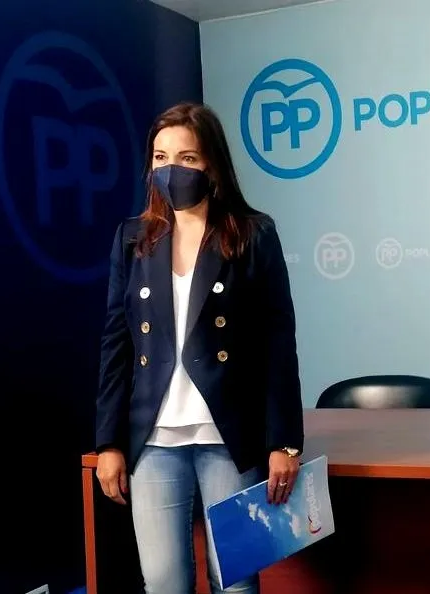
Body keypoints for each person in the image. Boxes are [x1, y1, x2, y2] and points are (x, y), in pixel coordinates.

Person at [94, 101, 304, 594]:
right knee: (163, 583)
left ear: (211, 164)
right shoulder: (133, 238)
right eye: (161, 157)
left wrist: (284, 442)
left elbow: (278, 341)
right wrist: (108, 442)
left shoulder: (252, 233)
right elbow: (116, 342)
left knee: (236, 582)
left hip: (230, 436)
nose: (172, 169)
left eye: (187, 158)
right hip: (154, 438)